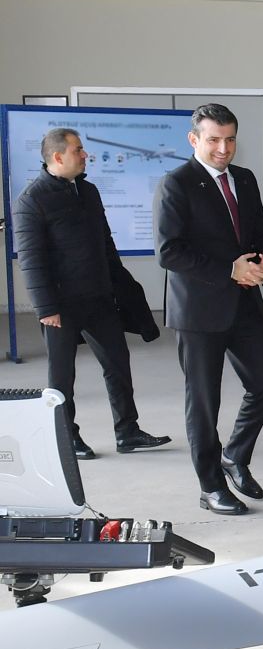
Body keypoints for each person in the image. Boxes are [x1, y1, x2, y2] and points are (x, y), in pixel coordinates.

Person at [13, 128, 171, 460]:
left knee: (118, 365)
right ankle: (65, 437)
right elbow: (31, 259)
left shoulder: (88, 190)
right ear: (58, 157)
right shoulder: (32, 199)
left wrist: (120, 287)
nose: (85, 155)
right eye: (78, 150)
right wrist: (46, 308)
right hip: (60, 306)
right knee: (61, 378)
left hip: (99, 299)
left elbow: (105, 243)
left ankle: (127, 432)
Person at [156, 103, 263, 516]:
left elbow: (260, 231)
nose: (223, 148)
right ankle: (210, 486)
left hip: (245, 301)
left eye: (230, 139)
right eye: (214, 140)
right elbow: (169, 252)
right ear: (194, 139)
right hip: (199, 311)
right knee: (204, 402)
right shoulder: (176, 184)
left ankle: (235, 455)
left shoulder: (243, 179)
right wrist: (230, 270)